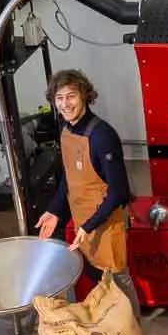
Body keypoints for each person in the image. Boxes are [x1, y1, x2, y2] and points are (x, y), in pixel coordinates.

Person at [36, 69, 141, 316]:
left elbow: (119, 192)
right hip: (82, 221)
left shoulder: (102, 136)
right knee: (95, 279)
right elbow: (69, 177)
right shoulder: (66, 130)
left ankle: (132, 330)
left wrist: (89, 226)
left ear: (85, 96)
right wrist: (55, 210)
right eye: (59, 98)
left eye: (71, 96)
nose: (65, 104)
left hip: (106, 224)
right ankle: (109, 329)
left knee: (116, 282)